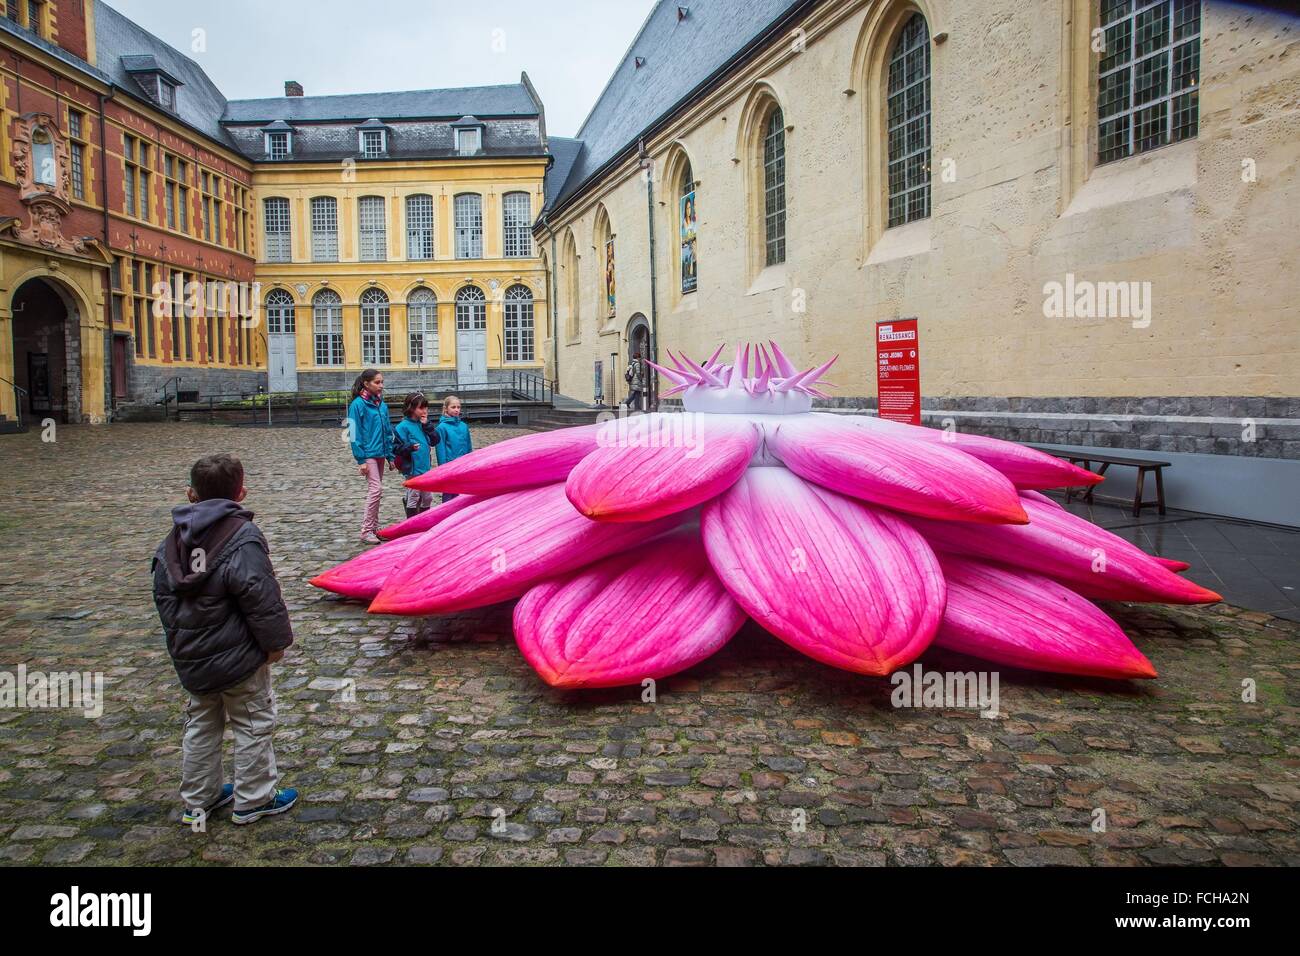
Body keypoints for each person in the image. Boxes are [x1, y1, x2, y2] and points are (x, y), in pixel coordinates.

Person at [152, 453, 298, 827]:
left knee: (201, 723)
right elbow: (260, 595)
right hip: (240, 658)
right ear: (242, 493)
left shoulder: (171, 543)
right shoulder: (242, 538)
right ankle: (254, 798)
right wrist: (275, 643)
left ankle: (199, 799)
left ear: (190, 494)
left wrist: (181, 642)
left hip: (194, 658)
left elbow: (164, 597)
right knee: (252, 722)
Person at [347, 369, 393, 545]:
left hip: (380, 452)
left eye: (382, 382)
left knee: (377, 491)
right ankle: (366, 530)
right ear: (366, 384)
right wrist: (361, 460)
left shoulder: (382, 404)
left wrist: (390, 455)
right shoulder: (357, 405)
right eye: (377, 382)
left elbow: (387, 430)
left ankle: (373, 528)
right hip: (368, 454)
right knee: (376, 490)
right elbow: (353, 433)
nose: (381, 385)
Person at [394, 392, 438, 518]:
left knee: (428, 497)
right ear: (411, 408)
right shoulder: (402, 427)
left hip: (425, 467)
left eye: (426, 408)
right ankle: (412, 522)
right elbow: (396, 448)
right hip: (412, 468)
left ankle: (423, 520)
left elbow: (435, 440)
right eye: (421, 408)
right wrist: (410, 447)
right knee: (413, 496)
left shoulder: (423, 424)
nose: (425, 411)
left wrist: (428, 426)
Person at [434, 395, 472, 502]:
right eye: (453, 407)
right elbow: (440, 450)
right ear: (446, 408)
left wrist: (470, 462)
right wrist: (443, 468)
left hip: (463, 465)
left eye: (458, 407)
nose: (456, 410)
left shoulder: (464, 426)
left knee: (462, 494)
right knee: (449, 494)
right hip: (450, 466)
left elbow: (468, 446)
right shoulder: (442, 428)